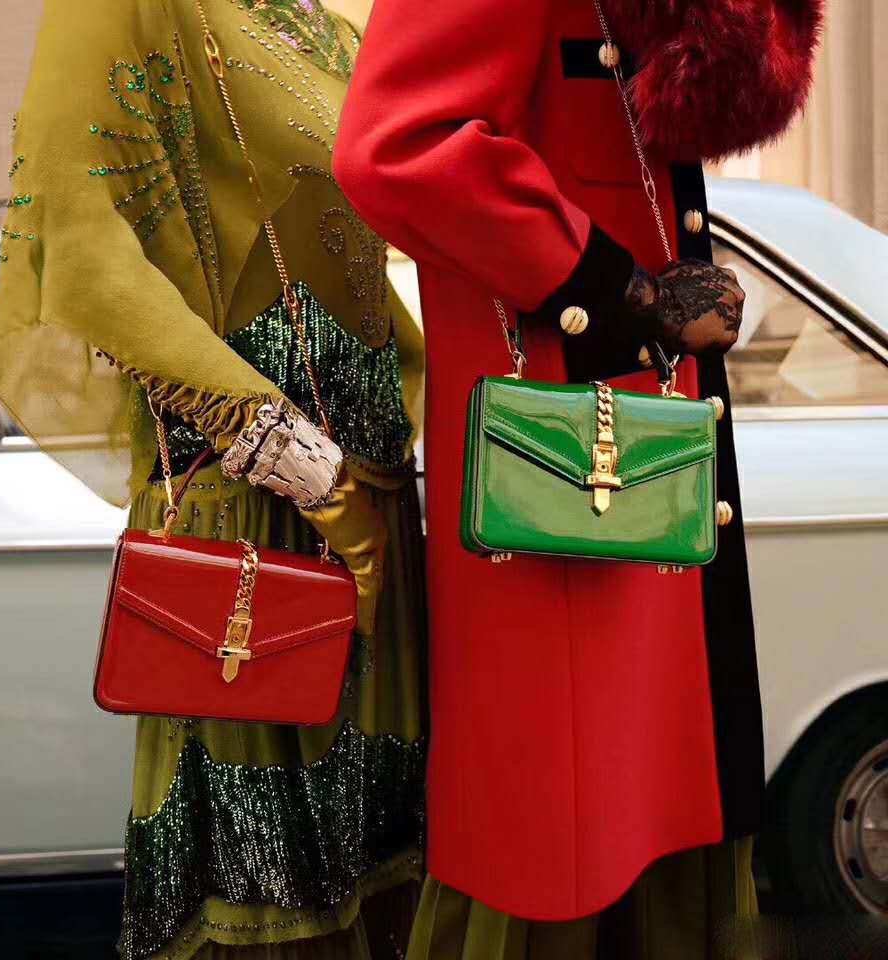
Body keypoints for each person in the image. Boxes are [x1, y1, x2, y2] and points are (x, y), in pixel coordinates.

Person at [333, 0, 823, 955]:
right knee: (551, 852)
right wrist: (619, 289)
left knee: (655, 816)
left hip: (641, 484)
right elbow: (396, 146)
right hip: (560, 495)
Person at [0, 1, 427, 958]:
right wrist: (307, 471)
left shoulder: (321, 27)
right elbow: (80, 245)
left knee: (382, 869)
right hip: (256, 529)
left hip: (380, 512)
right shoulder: (129, 8)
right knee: (267, 893)